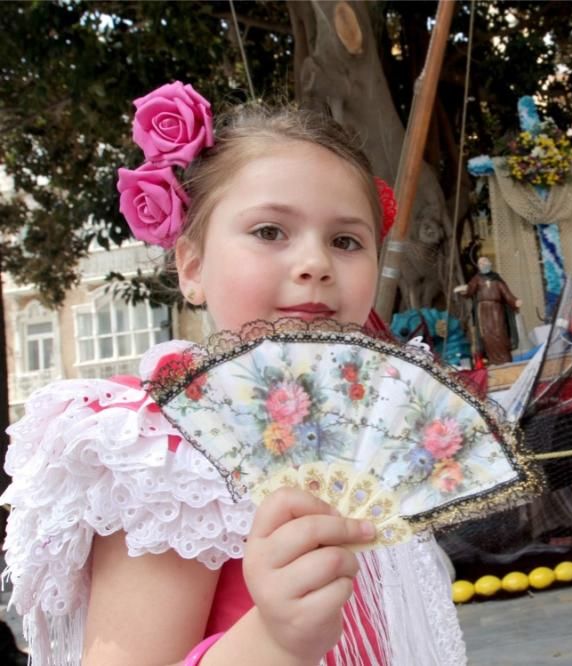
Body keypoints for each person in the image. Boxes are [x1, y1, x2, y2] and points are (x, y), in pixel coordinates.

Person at [1, 82, 466, 666]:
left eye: (346, 240)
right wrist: (273, 639)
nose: (316, 264)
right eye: (270, 231)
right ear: (192, 266)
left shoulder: (365, 430)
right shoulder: (169, 454)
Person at [454, 256, 522, 365]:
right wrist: (463, 290)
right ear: (478, 266)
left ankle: (505, 360)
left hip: (496, 309)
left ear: (490, 263)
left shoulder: (497, 279)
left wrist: (514, 301)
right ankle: (493, 361)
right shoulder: (477, 278)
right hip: (483, 312)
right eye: (480, 263)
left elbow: (506, 293)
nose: (483, 264)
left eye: (485, 262)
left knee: (500, 333)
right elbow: (470, 289)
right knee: (487, 335)